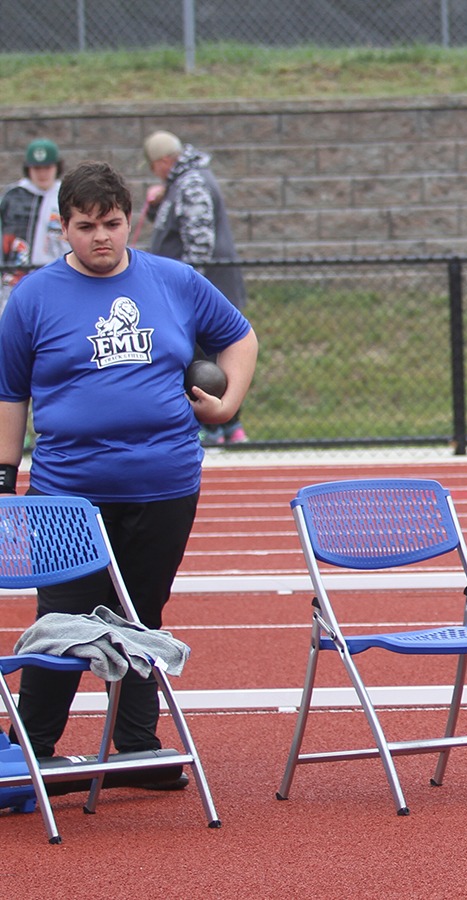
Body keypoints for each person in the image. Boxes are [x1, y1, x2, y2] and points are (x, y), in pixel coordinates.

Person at [0, 160, 257, 786]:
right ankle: (31, 746)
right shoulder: (32, 295)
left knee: (142, 613)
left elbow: (240, 338)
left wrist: (227, 406)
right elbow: (10, 393)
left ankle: (138, 744)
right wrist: (5, 481)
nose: (100, 238)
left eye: (112, 224)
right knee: (64, 619)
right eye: (85, 226)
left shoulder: (174, 280)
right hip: (67, 493)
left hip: (165, 483)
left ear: (129, 221)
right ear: (63, 227)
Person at [142, 130, 250, 446]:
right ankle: (221, 426)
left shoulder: (191, 183)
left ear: (163, 161)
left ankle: (218, 426)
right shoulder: (182, 183)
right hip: (193, 288)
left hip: (202, 291)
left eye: (153, 166)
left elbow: (199, 243)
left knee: (204, 359)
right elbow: (174, 230)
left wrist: (188, 292)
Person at [0, 138, 70, 313]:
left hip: (57, 277)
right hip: (15, 279)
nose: (42, 174)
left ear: (57, 167)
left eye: (47, 168)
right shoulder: (12, 196)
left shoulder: (67, 195)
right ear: (28, 169)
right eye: (36, 168)